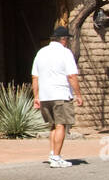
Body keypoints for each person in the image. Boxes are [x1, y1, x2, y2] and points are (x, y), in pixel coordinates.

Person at [31, 26, 84, 168]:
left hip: (45, 95)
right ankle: (56, 157)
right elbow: (72, 76)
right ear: (63, 39)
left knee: (53, 125)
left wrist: (36, 96)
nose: (67, 42)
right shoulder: (65, 53)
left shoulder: (41, 52)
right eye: (67, 39)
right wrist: (78, 95)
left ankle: (52, 153)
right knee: (61, 125)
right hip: (60, 94)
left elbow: (35, 77)